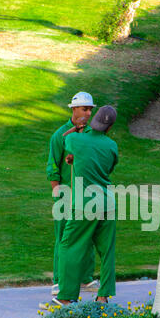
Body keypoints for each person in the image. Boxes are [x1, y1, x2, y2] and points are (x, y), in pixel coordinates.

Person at [53, 105, 118, 306]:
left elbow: (64, 139)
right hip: (107, 202)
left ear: (94, 120)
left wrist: (77, 130)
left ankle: (65, 296)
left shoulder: (75, 139)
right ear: (109, 127)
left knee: (68, 246)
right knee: (107, 251)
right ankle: (103, 296)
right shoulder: (112, 146)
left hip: (84, 203)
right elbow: (109, 167)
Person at [46, 92, 99, 297]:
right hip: (66, 194)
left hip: (88, 194)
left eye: (90, 110)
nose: (88, 113)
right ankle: (59, 280)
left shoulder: (92, 135)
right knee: (63, 237)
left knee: (87, 236)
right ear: (74, 109)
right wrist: (56, 188)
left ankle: (85, 278)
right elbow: (52, 164)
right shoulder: (60, 135)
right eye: (85, 109)